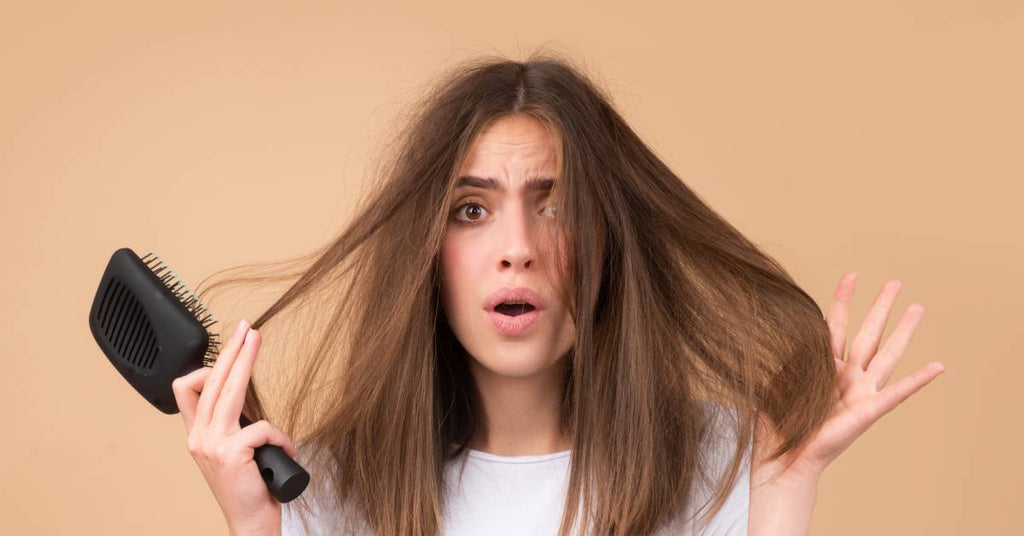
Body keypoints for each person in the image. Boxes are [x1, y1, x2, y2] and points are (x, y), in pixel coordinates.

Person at [171, 51, 945, 536]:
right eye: (471, 211)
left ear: (608, 240)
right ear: (426, 255)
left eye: (558, 206)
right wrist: (251, 526)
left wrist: (785, 489)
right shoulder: (325, 488)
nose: (518, 250)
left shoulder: (724, 461)